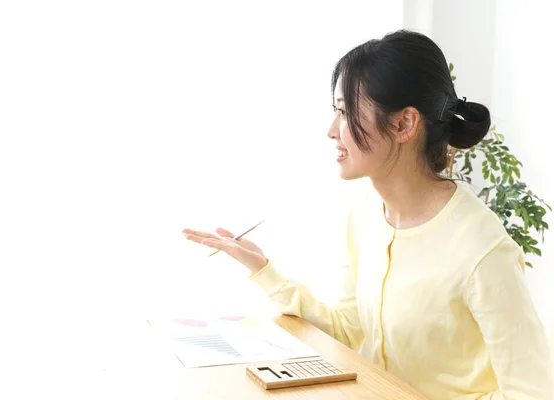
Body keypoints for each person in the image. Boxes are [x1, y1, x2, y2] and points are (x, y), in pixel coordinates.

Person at [182, 30, 553, 399]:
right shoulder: (364, 213)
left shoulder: (482, 249)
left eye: (345, 112)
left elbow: (532, 392)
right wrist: (264, 270)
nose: (332, 131)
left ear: (405, 124)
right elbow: (348, 334)